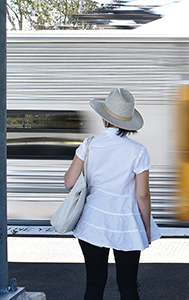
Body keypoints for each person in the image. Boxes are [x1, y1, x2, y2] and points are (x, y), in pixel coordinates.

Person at [63, 87, 162, 300]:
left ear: (104, 118)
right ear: (128, 122)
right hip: (126, 222)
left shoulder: (89, 144)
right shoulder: (138, 150)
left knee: (94, 283)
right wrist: (146, 226)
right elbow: (142, 195)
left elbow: (69, 183)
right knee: (127, 285)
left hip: (93, 221)